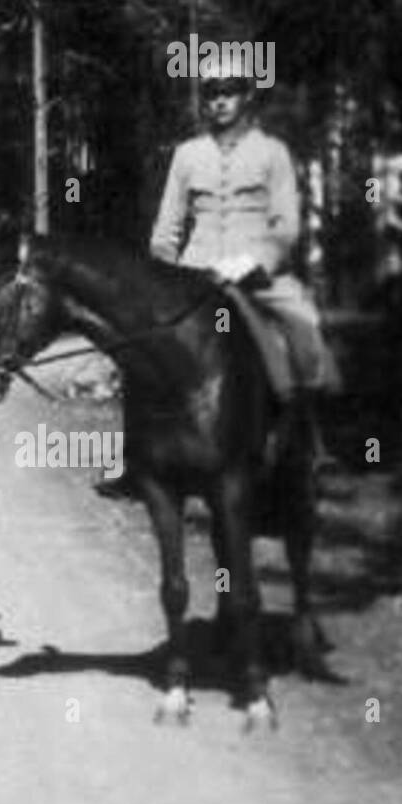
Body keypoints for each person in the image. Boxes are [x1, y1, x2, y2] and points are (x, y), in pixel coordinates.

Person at [134, 56, 341, 496]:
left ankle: (303, 444)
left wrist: (251, 261)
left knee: (304, 329)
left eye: (229, 90)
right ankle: (137, 458)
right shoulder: (187, 155)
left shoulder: (272, 153)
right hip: (195, 273)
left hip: (254, 274)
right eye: (211, 93)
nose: (220, 101)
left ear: (247, 96)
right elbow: (166, 229)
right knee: (139, 348)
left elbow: (286, 226)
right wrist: (165, 279)